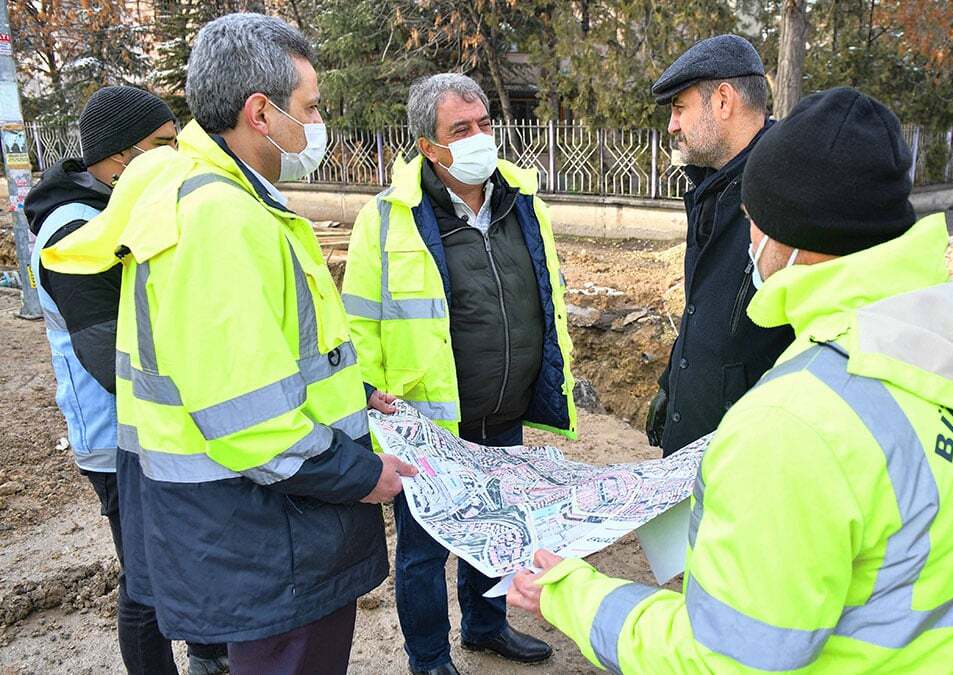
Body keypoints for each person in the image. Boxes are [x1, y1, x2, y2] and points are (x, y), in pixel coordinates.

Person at [508, 87, 953, 673]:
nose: (750, 240)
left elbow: (725, 661)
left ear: (792, 236)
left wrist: (576, 595)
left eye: (753, 222)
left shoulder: (794, 424)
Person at [42, 14, 416, 675]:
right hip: (268, 535)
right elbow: (249, 417)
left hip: (260, 529)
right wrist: (363, 474)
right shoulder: (218, 216)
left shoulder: (222, 197)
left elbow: (252, 355)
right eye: (312, 107)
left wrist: (351, 392)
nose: (319, 124)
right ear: (261, 113)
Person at [342, 73, 576, 675]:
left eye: (485, 125)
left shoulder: (522, 200)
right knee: (424, 550)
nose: (480, 139)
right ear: (429, 146)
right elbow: (360, 319)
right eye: (461, 130)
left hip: (504, 404)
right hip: (429, 419)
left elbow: (543, 298)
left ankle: (485, 625)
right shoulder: (389, 219)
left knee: (494, 525)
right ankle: (429, 658)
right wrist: (366, 395)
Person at [25, 85, 230, 675]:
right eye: (164, 146)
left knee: (185, 562)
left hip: (156, 427)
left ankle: (208, 657)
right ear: (121, 157)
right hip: (119, 439)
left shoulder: (119, 210)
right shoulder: (74, 230)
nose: (176, 157)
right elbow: (107, 359)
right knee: (146, 581)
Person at [644, 34, 793, 457]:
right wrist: (672, 385)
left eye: (679, 108)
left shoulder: (784, 191)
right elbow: (704, 310)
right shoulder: (712, 185)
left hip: (745, 453)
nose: (672, 125)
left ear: (723, 101)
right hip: (696, 441)